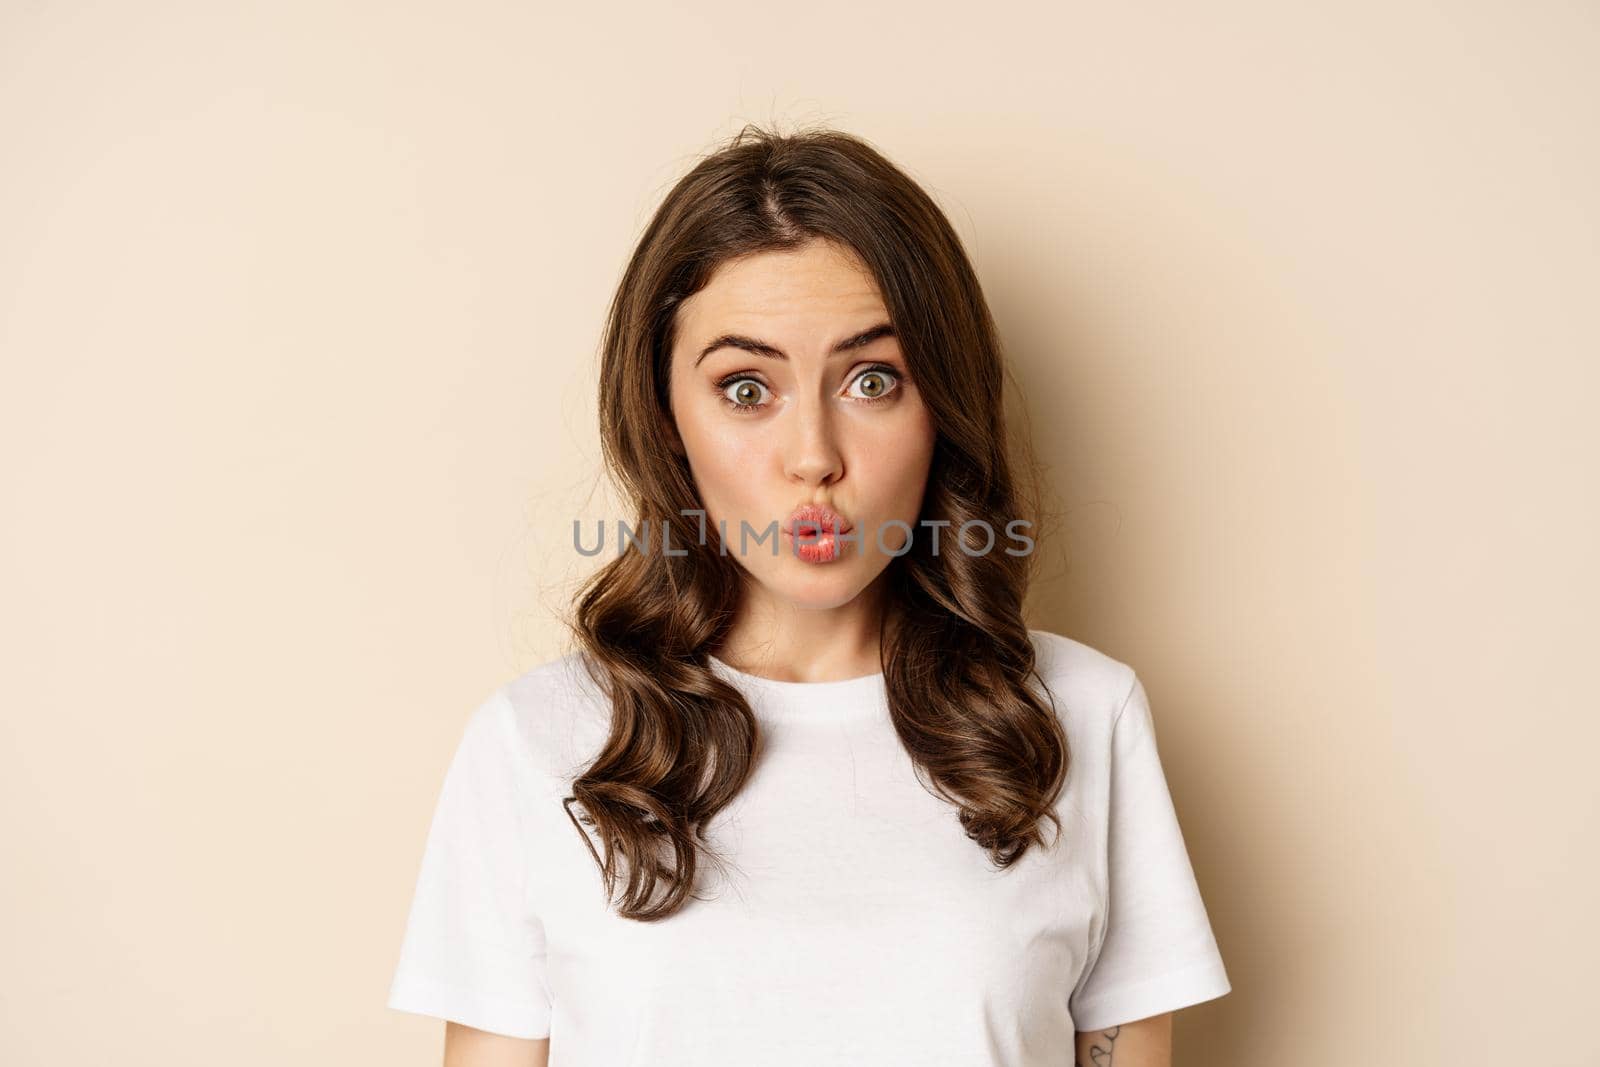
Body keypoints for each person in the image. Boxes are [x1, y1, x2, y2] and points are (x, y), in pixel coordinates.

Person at [385, 124, 1231, 1067]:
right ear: (667, 421)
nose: (814, 457)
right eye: (747, 389)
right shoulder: (537, 742)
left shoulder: (1079, 717)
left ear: (942, 403)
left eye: (873, 379)